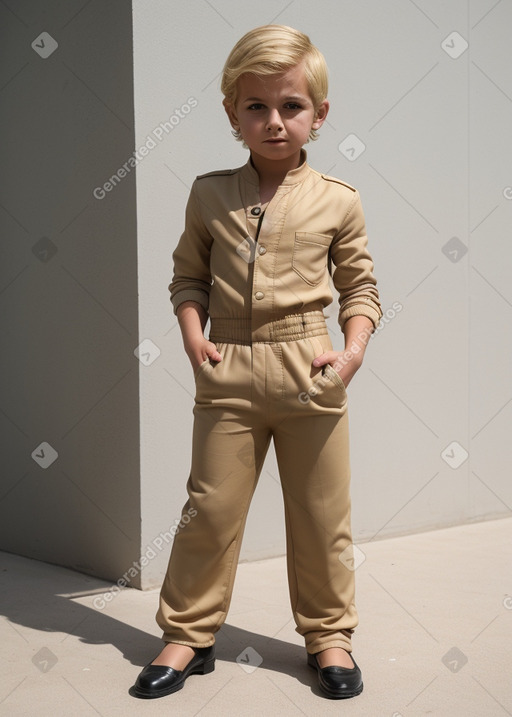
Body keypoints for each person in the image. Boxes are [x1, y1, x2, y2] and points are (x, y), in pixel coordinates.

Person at [132, 24, 382, 701]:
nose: (274, 122)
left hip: (312, 367)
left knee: (321, 512)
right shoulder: (210, 194)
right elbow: (187, 277)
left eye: (292, 106)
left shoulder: (339, 198)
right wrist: (193, 334)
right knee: (208, 508)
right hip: (230, 364)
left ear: (319, 115)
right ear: (231, 113)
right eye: (256, 107)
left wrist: (351, 352)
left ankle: (330, 636)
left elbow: (361, 289)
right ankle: (187, 633)